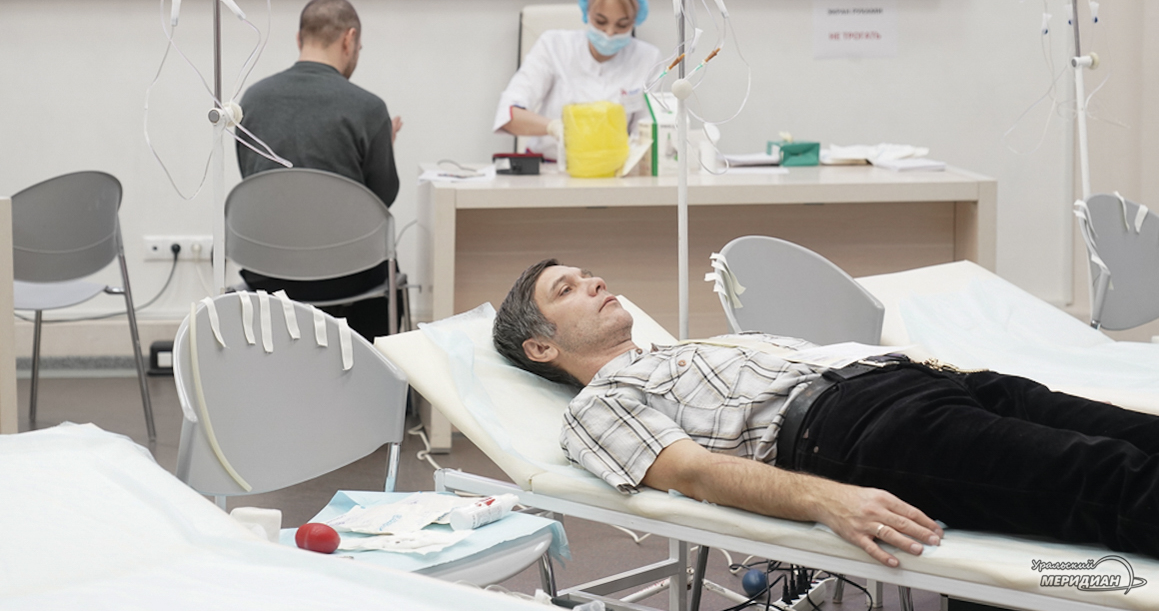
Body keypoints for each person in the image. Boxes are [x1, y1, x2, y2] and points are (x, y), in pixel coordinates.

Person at [492, 259, 1159, 566]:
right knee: (1110, 480)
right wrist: (827, 499)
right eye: (567, 289)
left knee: (1139, 433)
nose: (596, 281)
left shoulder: (686, 350)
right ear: (541, 346)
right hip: (857, 430)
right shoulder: (598, 406)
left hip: (921, 380)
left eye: (587, 274)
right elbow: (692, 473)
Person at [236, 0, 402, 340]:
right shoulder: (369, 108)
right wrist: (383, 146)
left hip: (267, 271)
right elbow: (381, 200)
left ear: (299, 38)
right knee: (388, 270)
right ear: (349, 39)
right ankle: (367, 369)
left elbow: (253, 181)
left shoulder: (251, 100)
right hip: (349, 275)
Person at [493, 0, 661, 161]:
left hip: (613, 169)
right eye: (600, 22)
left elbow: (647, 132)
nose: (609, 33)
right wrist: (554, 127)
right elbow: (509, 115)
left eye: (622, 25)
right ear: (586, 12)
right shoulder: (554, 46)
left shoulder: (647, 58)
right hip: (551, 166)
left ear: (635, 20)